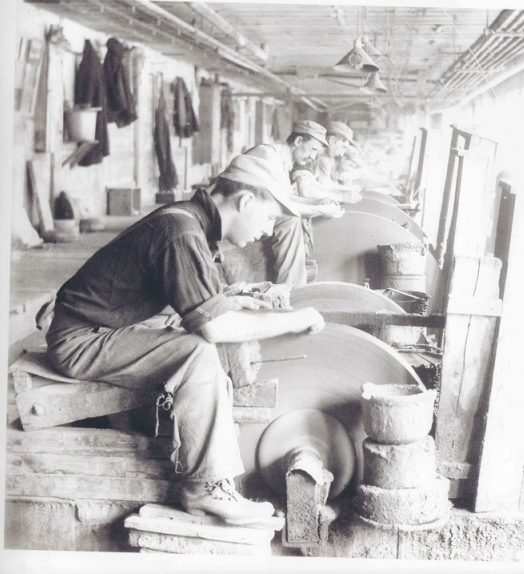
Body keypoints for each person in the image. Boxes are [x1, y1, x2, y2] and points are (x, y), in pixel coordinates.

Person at [45, 152, 326, 524]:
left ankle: (206, 458)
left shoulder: (189, 220)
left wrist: (236, 299)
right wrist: (294, 320)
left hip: (101, 327)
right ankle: (206, 488)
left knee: (194, 337)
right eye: (272, 216)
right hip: (80, 341)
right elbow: (214, 328)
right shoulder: (181, 233)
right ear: (245, 201)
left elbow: (198, 298)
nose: (270, 229)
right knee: (196, 351)